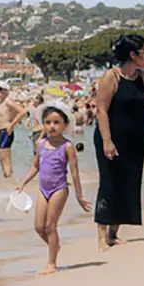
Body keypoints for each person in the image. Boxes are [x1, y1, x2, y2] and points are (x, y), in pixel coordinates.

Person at [93, 35, 144, 251]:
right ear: (132, 54)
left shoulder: (142, 77)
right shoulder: (111, 76)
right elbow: (102, 110)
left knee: (129, 183)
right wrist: (107, 141)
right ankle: (101, 236)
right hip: (112, 137)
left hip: (135, 138)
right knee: (109, 182)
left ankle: (113, 234)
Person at [15, 105, 91, 273]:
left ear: (65, 124)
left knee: (50, 225)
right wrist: (23, 182)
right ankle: (54, 245)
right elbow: (35, 166)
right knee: (38, 227)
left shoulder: (67, 146)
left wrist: (79, 196)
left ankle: (52, 264)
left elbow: (75, 173)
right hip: (43, 189)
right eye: (48, 122)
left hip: (59, 189)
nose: (52, 126)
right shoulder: (41, 143)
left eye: (56, 122)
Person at [0, 84, 23, 179]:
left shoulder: (8, 101)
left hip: (5, 131)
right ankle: (6, 179)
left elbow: (23, 111)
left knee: (5, 157)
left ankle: (9, 178)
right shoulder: (0, 102)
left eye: (0, 90)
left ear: (6, 91)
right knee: (1, 156)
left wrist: (12, 124)